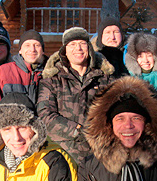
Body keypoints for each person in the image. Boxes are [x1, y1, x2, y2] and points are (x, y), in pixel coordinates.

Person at [37, 27, 116, 163]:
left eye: (82, 43)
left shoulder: (105, 78)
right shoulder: (53, 78)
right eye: (72, 44)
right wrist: (77, 130)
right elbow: (45, 114)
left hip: (99, 154)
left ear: (89, 48)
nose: (78, 48)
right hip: (63, 154)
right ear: (64, 51)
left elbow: (115, 109)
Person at [0, 29, 47, 105]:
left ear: (42, 50)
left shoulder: (51, 73)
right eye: (27, 45)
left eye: (37, 45)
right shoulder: (3, 72)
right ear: (20, 50)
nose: (32, 50)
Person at [124, 32, 157, 98]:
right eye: (140, 56)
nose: (146, 60)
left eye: (149, 56)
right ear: (133, 59)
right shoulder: (126, 81)